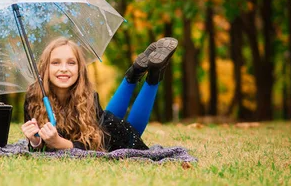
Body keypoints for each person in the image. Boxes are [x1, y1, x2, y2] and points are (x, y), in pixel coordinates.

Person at [22, 36, 178, 152]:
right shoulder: (33, 98)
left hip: (112, 137)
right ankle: (135, 72)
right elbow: (37, 149)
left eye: (71, 62)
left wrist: (59, 143)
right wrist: (35, 141)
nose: (63, 68)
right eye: (55, 63)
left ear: (80, 69)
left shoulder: (88, 96)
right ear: (44, 69)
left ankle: (154, 74)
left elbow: (92, 146)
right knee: (111, 120)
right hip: (105, 123)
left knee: (133, 135)